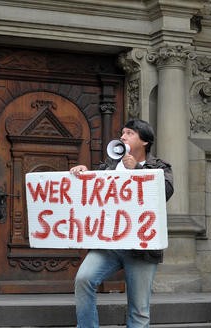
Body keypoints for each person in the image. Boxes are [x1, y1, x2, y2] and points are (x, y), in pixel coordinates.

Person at [70, 119, 174, 328]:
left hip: (141, 248)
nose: (123, 137)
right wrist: (83, 173)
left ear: (145, 141)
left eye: (130, 133)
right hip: (108, 245)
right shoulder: (109, 165)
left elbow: (165, 192)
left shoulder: (159, 166)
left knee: (139, 309)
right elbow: (91, 191)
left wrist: (136, 170)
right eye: (122, 133)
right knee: (84, 279)